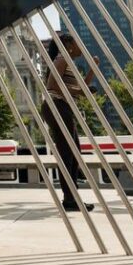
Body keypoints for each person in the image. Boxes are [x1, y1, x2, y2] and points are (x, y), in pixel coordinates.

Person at [42, 32, 97, 212]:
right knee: (68, 154)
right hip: (56, 106)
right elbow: (52, 85)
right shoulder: (62, 58)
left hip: (61, 107)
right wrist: (80, 92)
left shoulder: (67, 61)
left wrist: (92, 69)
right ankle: (70, 199)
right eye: (77, 42)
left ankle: (71, 197)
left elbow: (81, 87)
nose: (81, 46)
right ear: (68, 44)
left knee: (73, 154)